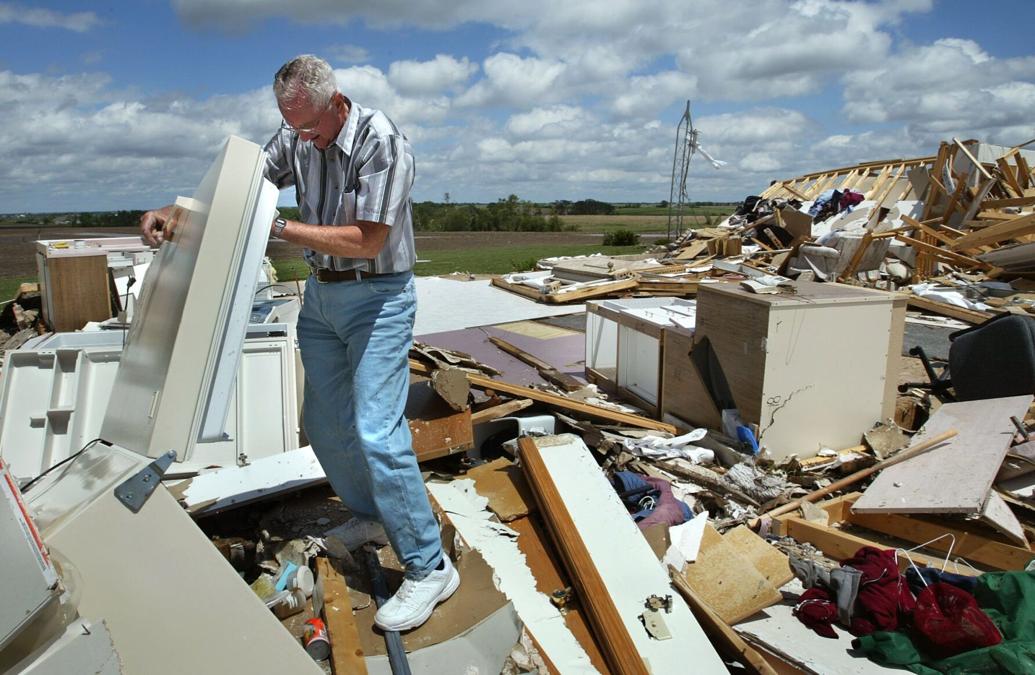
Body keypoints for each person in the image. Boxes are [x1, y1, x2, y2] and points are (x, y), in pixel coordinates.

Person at [139, 54, 458, 632]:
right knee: (326, 422)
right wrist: (176, 210)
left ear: (336, 103)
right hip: (322, 298)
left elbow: (366, 240)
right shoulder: (295, 133)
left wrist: (276, 225)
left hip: (378, 296)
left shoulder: (381, 140)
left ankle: (429, 565)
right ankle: (369, 515)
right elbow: (242, 187)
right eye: (293, 128)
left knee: (376, 430)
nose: (302, 139)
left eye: (311, 128)